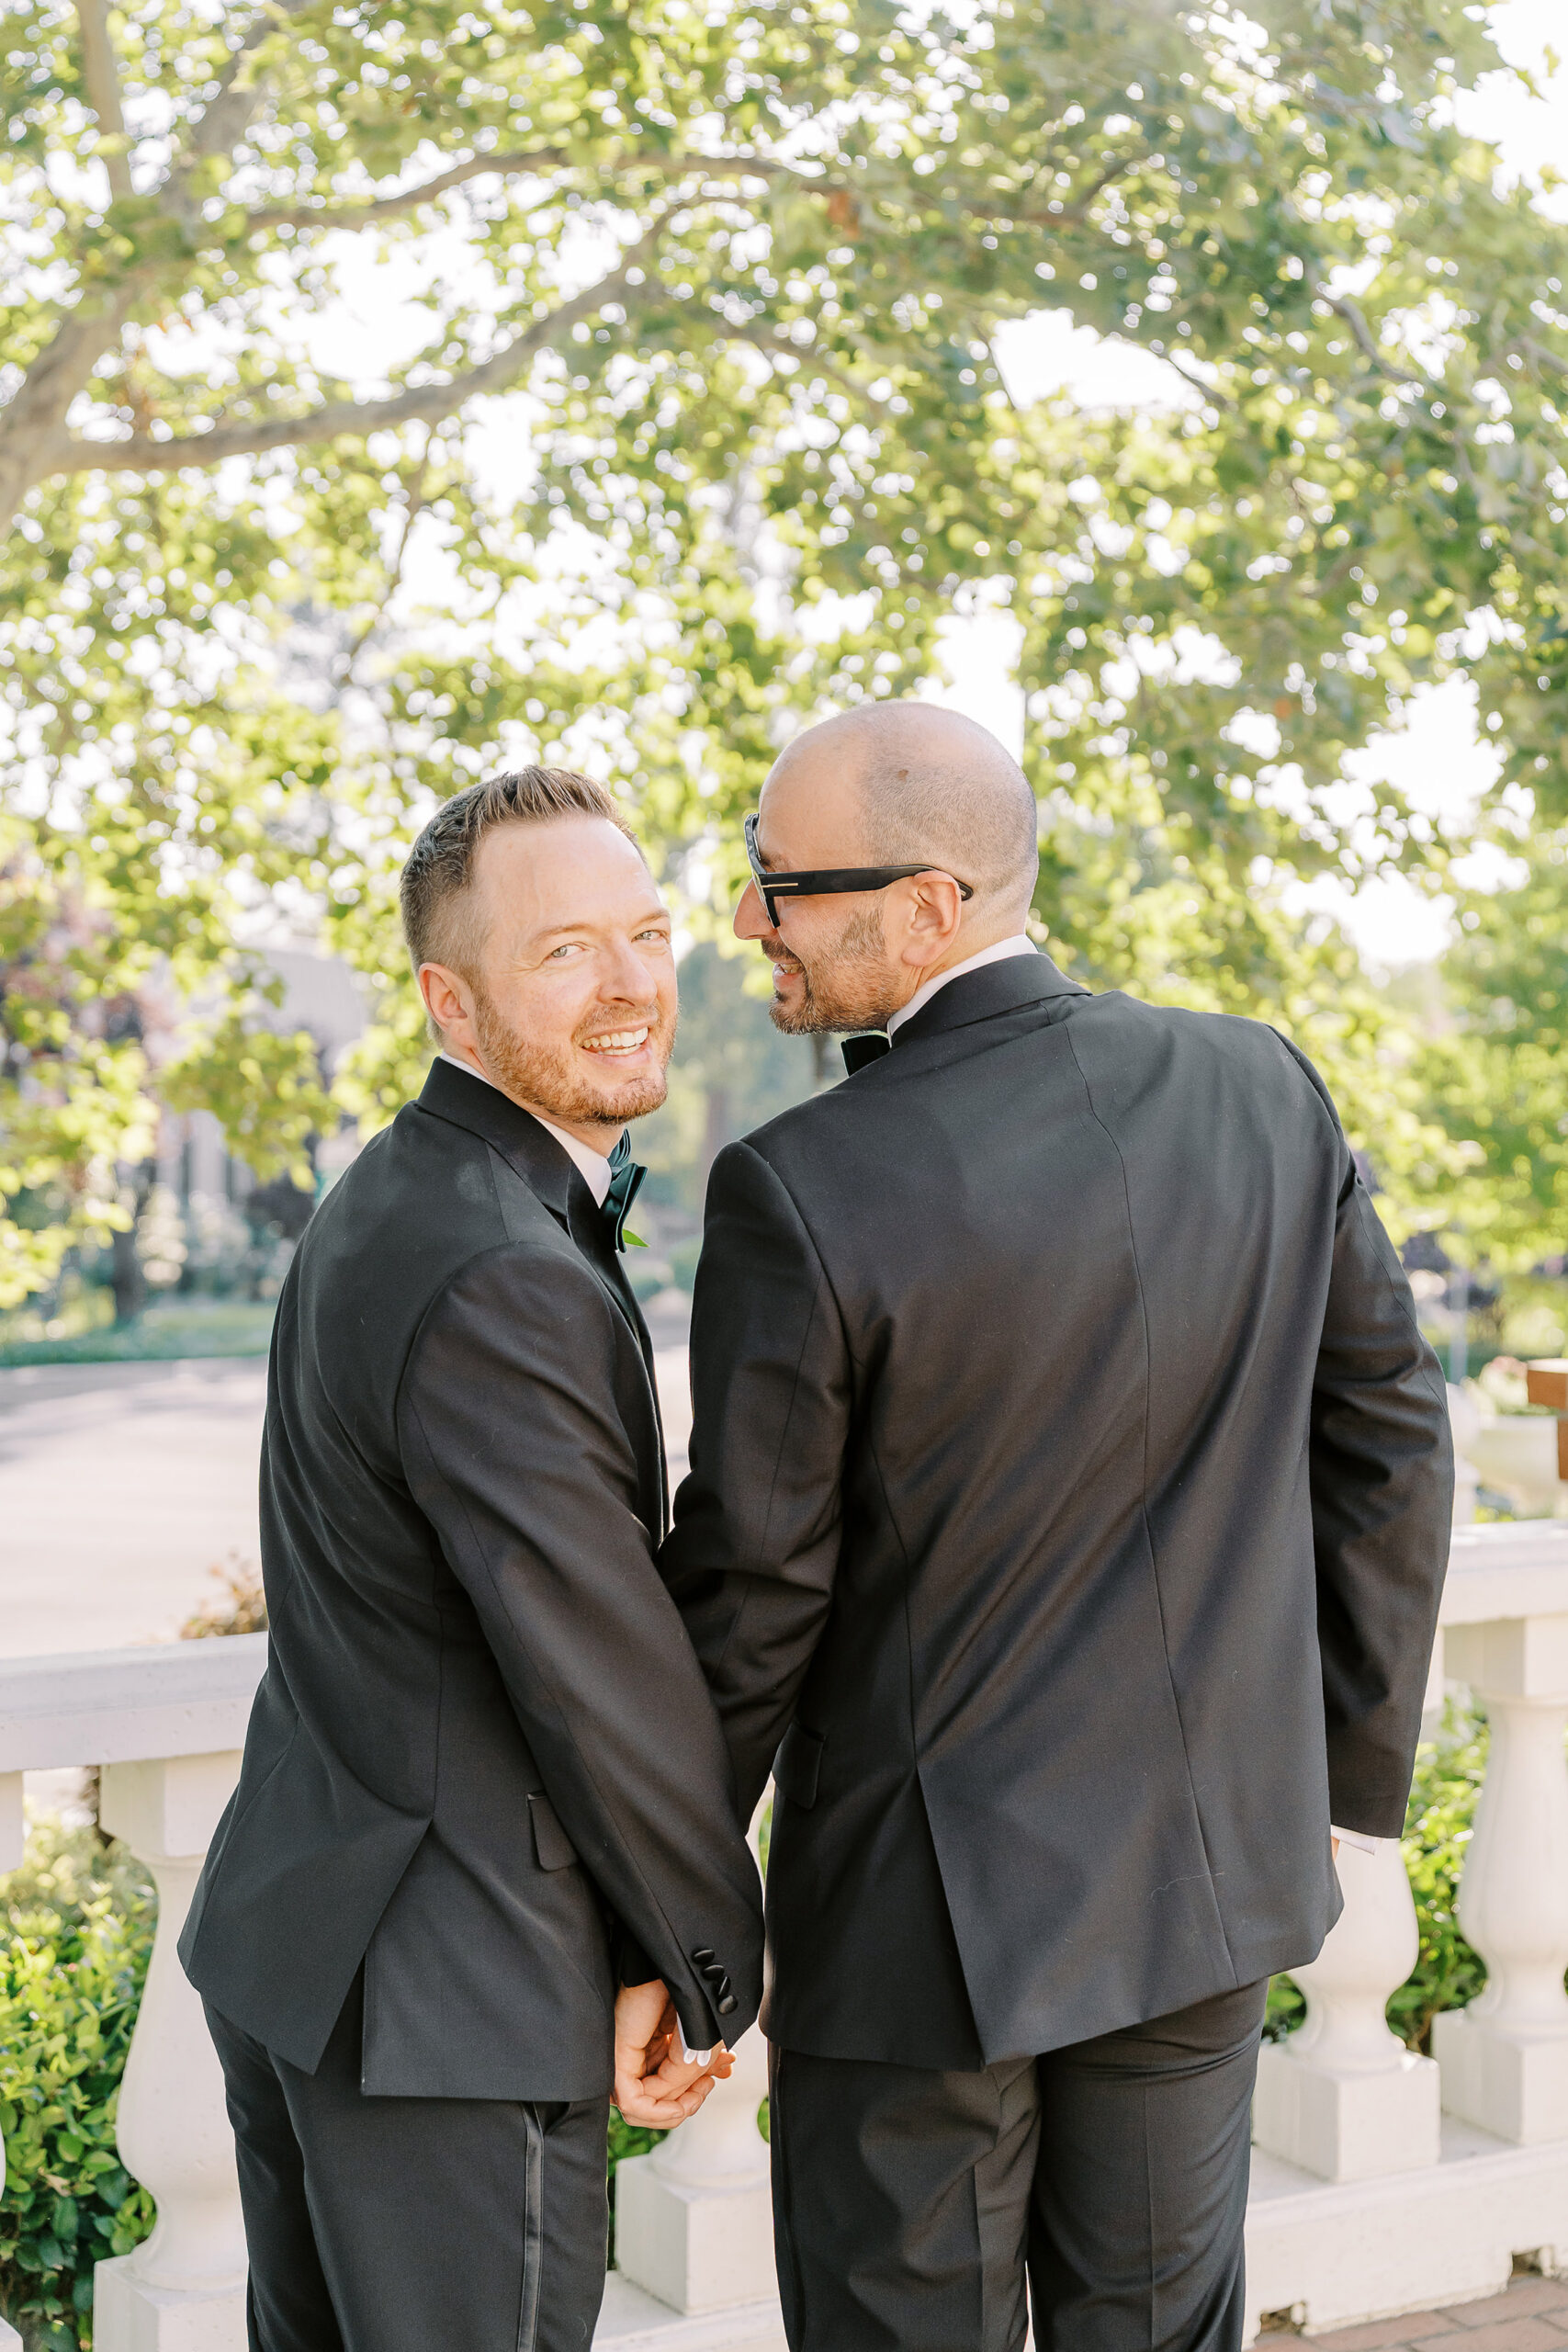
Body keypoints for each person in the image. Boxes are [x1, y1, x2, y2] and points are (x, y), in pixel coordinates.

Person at [659, 703, 1452, 2352]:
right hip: (1202, 1890)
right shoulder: (1264, 1086)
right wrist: (1337, 1790)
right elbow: (1389, 1443)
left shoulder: (798, 1185)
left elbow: (752, 1603)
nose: (748, 922)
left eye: (781, 882)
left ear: (933, 904)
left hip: (913, 1944)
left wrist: (665, 1923)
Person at [181, 766, 763, 2352]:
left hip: (314, 1950)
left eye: (646, 932)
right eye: (566, 950)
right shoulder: (502, 1266)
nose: (635, 980)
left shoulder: (395, 1194)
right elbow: (598, 1674)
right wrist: (705, 1962)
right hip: (451, 2007)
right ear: (450, 998)